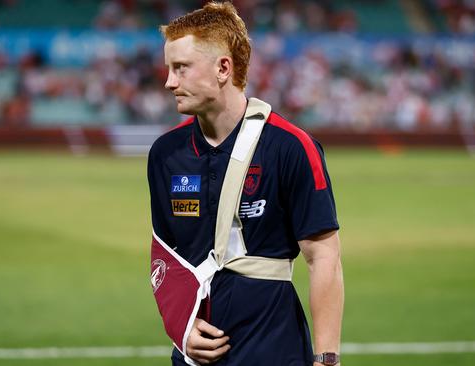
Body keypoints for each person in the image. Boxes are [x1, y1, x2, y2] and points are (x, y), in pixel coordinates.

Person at [147, 2, 343, 365]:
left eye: (181, 68)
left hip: (274, 347)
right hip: (193, 356)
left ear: (223, 68)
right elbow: (164, 258)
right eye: (169, 69)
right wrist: (182, 328)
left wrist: (327, 358)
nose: (169, 81)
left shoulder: (291, 146)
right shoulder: (164, 153)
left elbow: (324, 256)